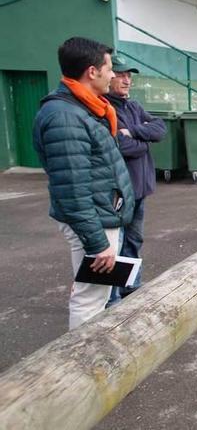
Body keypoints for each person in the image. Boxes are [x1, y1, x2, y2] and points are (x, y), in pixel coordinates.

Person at [32, 37, 134, 330]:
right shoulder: (65, 117)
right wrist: (97, 243)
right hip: (95, 222)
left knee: (95, 294)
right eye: (109, 68)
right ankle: (85, 364)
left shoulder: (87, 108)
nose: (113, 75)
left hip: (103, 213)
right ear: (92, 72)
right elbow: (72, 190)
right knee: (90, 298)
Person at [106, 55, 166, 305]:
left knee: (134, 240)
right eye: (120, 74)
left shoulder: (133, 106)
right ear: (109, 77)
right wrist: (143, 142)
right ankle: (111, 296)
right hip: (119, 191)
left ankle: (132, 284)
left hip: (140, 188)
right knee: (115, 245)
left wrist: (134, 132)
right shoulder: (103, 107)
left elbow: (160, 129)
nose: (126, 80)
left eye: (129, 75)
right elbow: (120, 146)